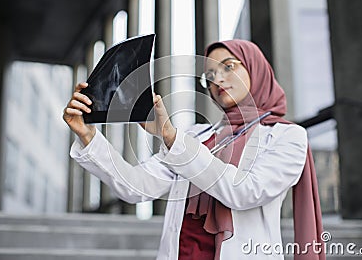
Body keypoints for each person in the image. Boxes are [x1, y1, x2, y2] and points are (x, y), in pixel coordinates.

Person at [63, 39, 325, 260]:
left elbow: (245, 191)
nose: (217, 79)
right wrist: (89, 136)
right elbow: (135, 186)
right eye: (209, 75)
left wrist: (170, 135)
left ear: (256, 69)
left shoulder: (287, 136)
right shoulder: (195, 135)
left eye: (228, 67)